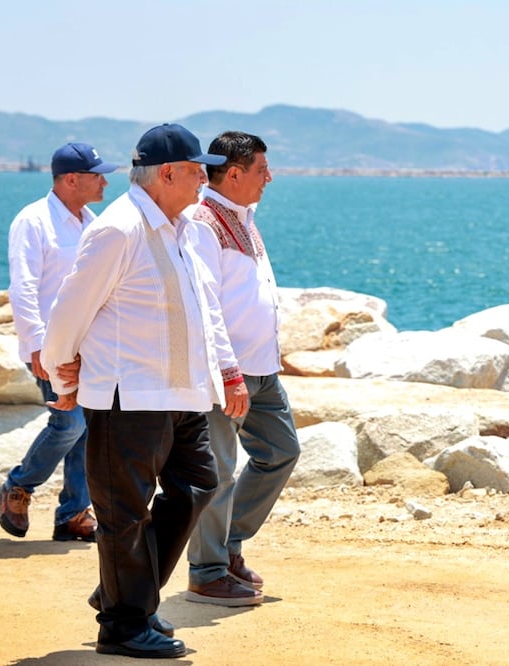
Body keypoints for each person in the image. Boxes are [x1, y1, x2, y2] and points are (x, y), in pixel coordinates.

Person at [41, 123, 250, 659]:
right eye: (198, 170)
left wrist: (223, 372)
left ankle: (121, 590)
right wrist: (60, 372)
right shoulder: (121, 228)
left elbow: (202, 311)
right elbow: (70, 308)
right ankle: (125, 624)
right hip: (126, 396)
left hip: (181, 396)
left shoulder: (179, 227)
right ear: (167, 173)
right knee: (124, 514)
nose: (205, 179)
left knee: (200, 487)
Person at [185, 132, 300, 606]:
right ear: (233, 172)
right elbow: (206, 301)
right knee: (220, 472)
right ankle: (207, 571)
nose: (269, 177)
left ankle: (227, 544)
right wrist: (227, 372)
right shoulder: (202, 222)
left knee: (281, 451)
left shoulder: (244, 218)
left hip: (261, 369)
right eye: (261, 170)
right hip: (225, 372)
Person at [0, 142, 118, 542]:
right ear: (71, 180)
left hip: (89, 346)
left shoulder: (91, 221)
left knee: (86, 430)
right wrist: (34, 345)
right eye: (97, 174)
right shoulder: (32, 221)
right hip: (51, 346)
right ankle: (18, 486)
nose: (104, 181)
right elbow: (23, 287)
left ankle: (71, 515)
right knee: (69, 423)